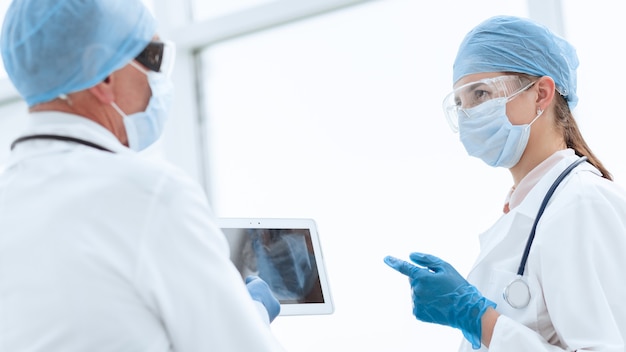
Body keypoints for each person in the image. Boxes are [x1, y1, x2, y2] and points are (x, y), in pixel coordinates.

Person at [0, 0, 285, 351]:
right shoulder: (150, 195)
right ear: (104, 76)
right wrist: (251, 312)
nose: (158, 81)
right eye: (152, 57)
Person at [384, 15, 626, 351]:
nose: (468, 114)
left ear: (541, 94)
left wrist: (479, 320)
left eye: (480, 94)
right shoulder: (525, 212)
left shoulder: (583, 202)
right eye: (460, 104)